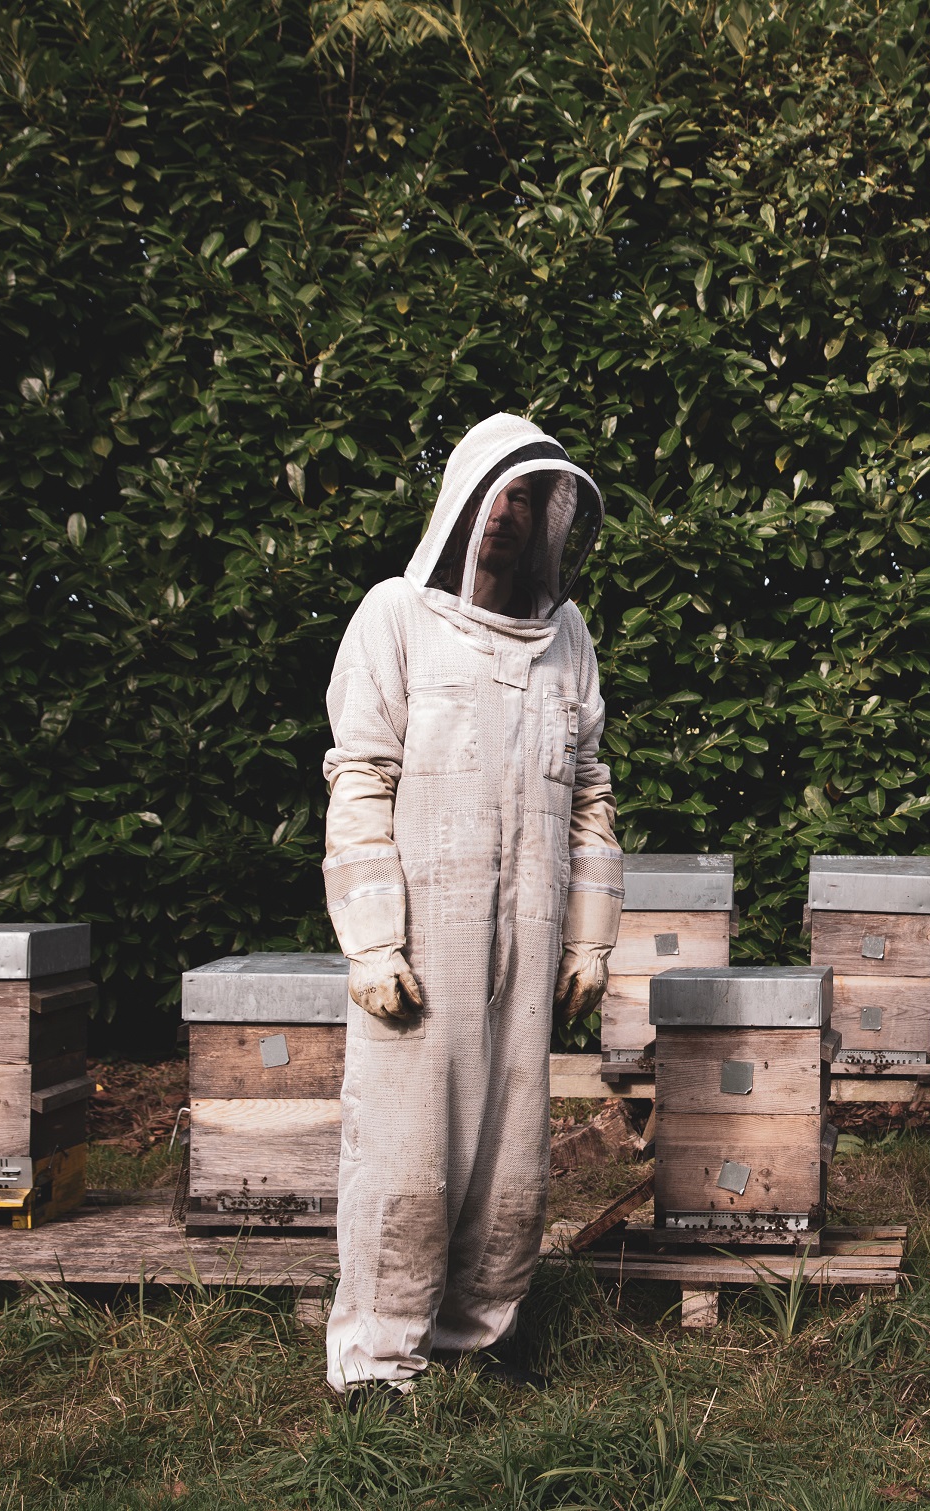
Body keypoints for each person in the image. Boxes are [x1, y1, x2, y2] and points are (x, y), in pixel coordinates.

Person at [318, 413, 622, 1405]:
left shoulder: (564, 637)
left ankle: (477, 1335)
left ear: (549, 521)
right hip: (421, 944)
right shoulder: (394, 617)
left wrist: (592, 939)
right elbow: (360, 778)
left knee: (509, 1159)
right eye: (494, 495)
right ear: (459, 503)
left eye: (527, 500)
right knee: (404, 1155)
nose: (506, 518)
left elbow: (589, 791)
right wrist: (369, 941)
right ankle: (375, 1357)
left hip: (526, 944)